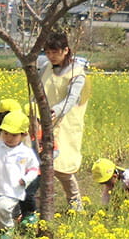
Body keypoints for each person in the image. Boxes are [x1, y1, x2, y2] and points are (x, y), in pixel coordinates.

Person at [38, 30, 91, 211]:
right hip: (42, 123)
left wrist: (54, 112)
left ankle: (75, 205)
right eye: (48, 52)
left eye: (55, 52)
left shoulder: (77, 74)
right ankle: (38, 207)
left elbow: (71, 99)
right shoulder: (45, 68)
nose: (51, 56)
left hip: (66, 125)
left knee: (63, 168)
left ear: (66, 50)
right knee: (39, 166)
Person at [0, 110, 40, 239]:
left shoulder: (25, 152)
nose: (8, 137)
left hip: (13, 190)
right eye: (5, 133)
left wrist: (26, 179)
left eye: (13, 135)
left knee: (0, 208)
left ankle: (8, 229)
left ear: (23, 134)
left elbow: (34, 169)